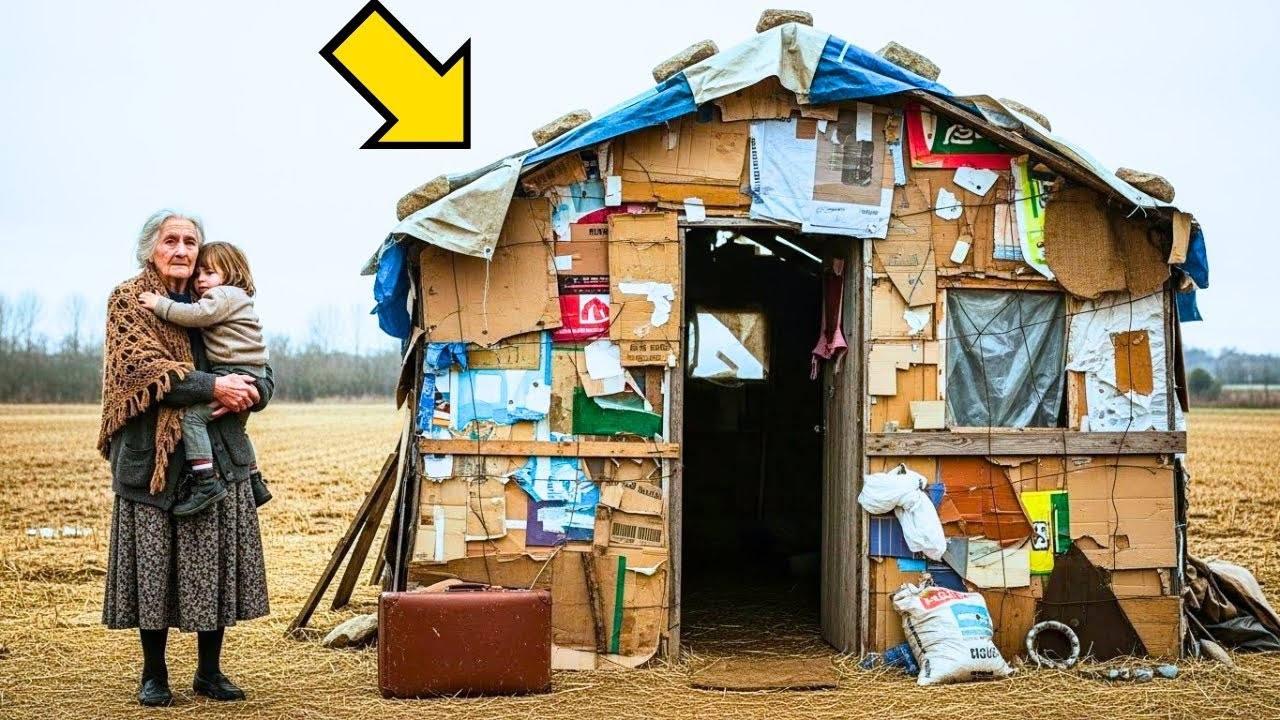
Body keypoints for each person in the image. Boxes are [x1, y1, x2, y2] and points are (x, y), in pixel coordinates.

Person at [99, 210, 273, 706]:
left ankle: (209, 672)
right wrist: (215, 385)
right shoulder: (130, 301)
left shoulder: (211, 300)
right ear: (149, 248)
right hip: (151, 458)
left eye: (190, 241)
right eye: (170, 240)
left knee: (208, 565)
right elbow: (144, 372)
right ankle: (154, 673)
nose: (181, 250)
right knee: (154, 569)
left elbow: (256, 364)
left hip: (215, 455)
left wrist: (255, 391)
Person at [138, 242, 272, 516]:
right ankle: (255, 480)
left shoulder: (222, 296)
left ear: (231, 272)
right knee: (237, 427)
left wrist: (159, 304)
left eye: (209, 273)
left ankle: (205, 483)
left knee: (193, 419)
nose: (200, 280)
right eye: (198, 275)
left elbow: (196, 315)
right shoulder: (239, 299)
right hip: (250, 371)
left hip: (234, 371)